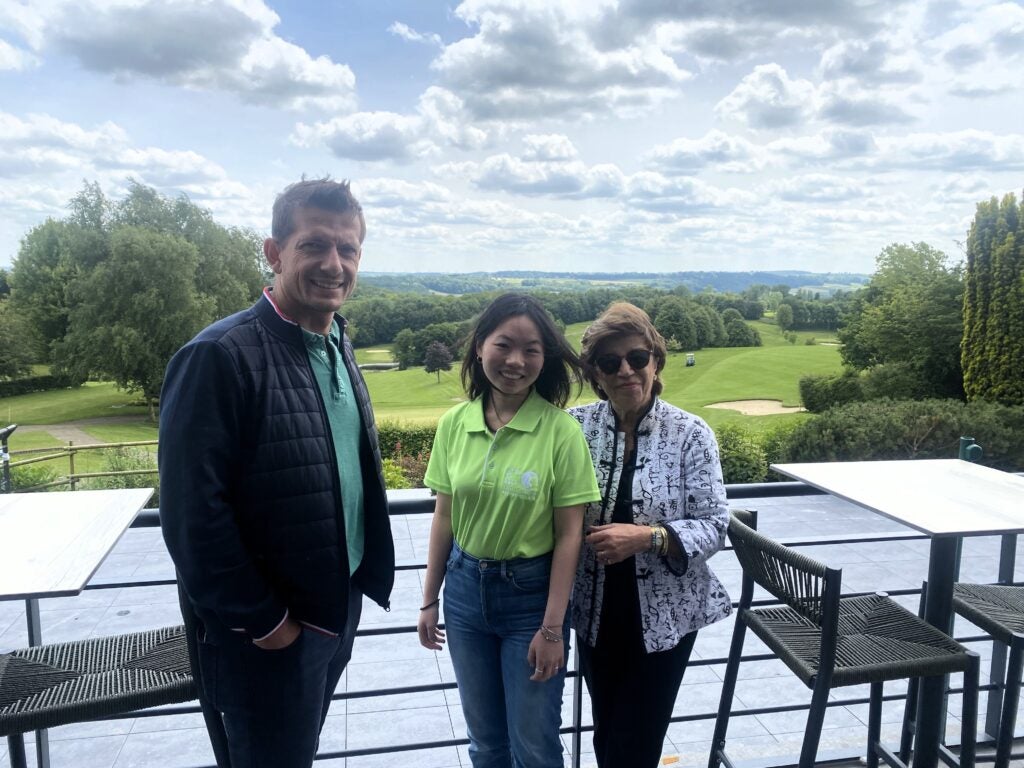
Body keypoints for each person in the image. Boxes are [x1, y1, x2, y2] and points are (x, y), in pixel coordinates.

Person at [159, 178, 395, 768]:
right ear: (274, 252)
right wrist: (266, 622)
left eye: (348, 249)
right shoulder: (219, 355)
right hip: (268, 633)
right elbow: (192, 514)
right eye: (314, 245)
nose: (333, 264)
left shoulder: (335, 340)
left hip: (333, 607)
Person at [417, 293, 601, 768]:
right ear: (480, 347)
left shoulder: (562, 433)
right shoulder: (455, 424)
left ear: (546, 358)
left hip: (530, 599)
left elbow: (569, 538)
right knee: (485, 743)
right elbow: (444, 518)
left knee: (535, 746)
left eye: (532, 350)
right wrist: (429, 599)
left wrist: (553, 628)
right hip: (462, 594)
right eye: (504, 345)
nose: (516, 361)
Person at [568, 302, 732, 768]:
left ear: (655, 362)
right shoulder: (575, 428)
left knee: (638, 739)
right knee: (606, 730)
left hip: (666, 618)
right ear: (595, 373)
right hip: (596, 611)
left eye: (637, 358)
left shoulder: (691, 434)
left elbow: (715, 525)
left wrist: (646, 538)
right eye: (609, 362)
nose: (625, 370)